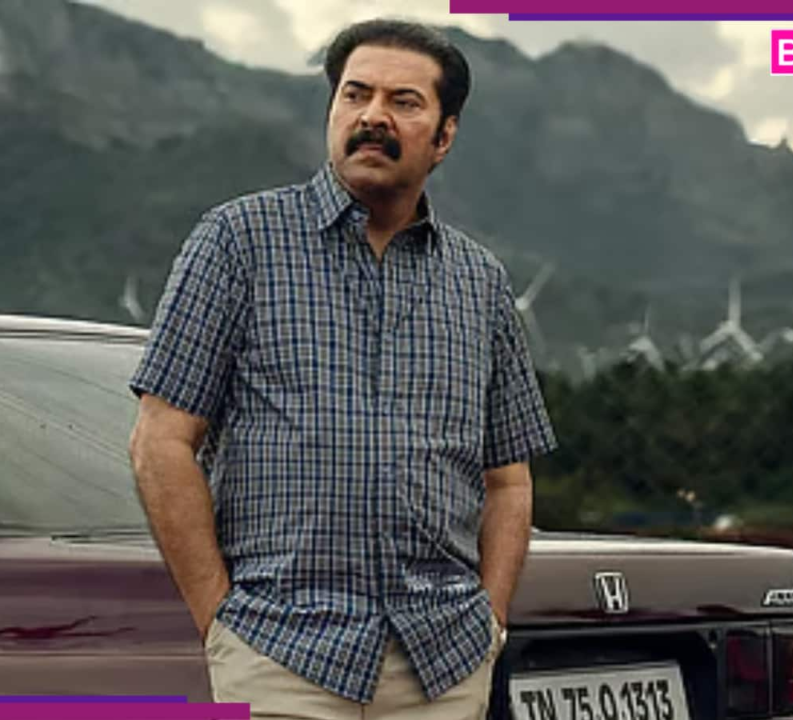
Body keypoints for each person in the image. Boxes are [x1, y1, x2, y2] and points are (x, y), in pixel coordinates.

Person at [128, 18, 556, 720]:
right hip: (280, 655)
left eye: (404, 102)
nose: (373, 116)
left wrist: (492, 620)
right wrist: (220, 619)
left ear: (444, 136)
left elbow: (507, 479)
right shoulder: (238, 242)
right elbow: (160, 442)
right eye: (356, 95)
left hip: (442, 665)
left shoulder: (480, 282)